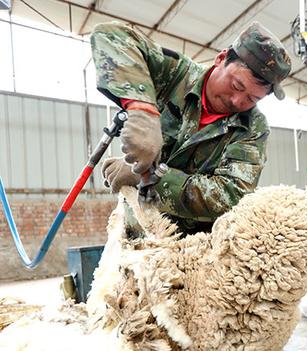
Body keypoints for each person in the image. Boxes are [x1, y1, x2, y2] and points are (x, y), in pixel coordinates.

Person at [92, 21, 291, 235]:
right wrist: (141, 108)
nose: (237, 101)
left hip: (197, 249)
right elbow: (109, 35)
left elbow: (230, 196)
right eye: (236, 86)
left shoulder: (252, 127)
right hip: (140, 233)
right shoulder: (174, 75)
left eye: (252, 98)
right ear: (221, 59)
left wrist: (150, 178)